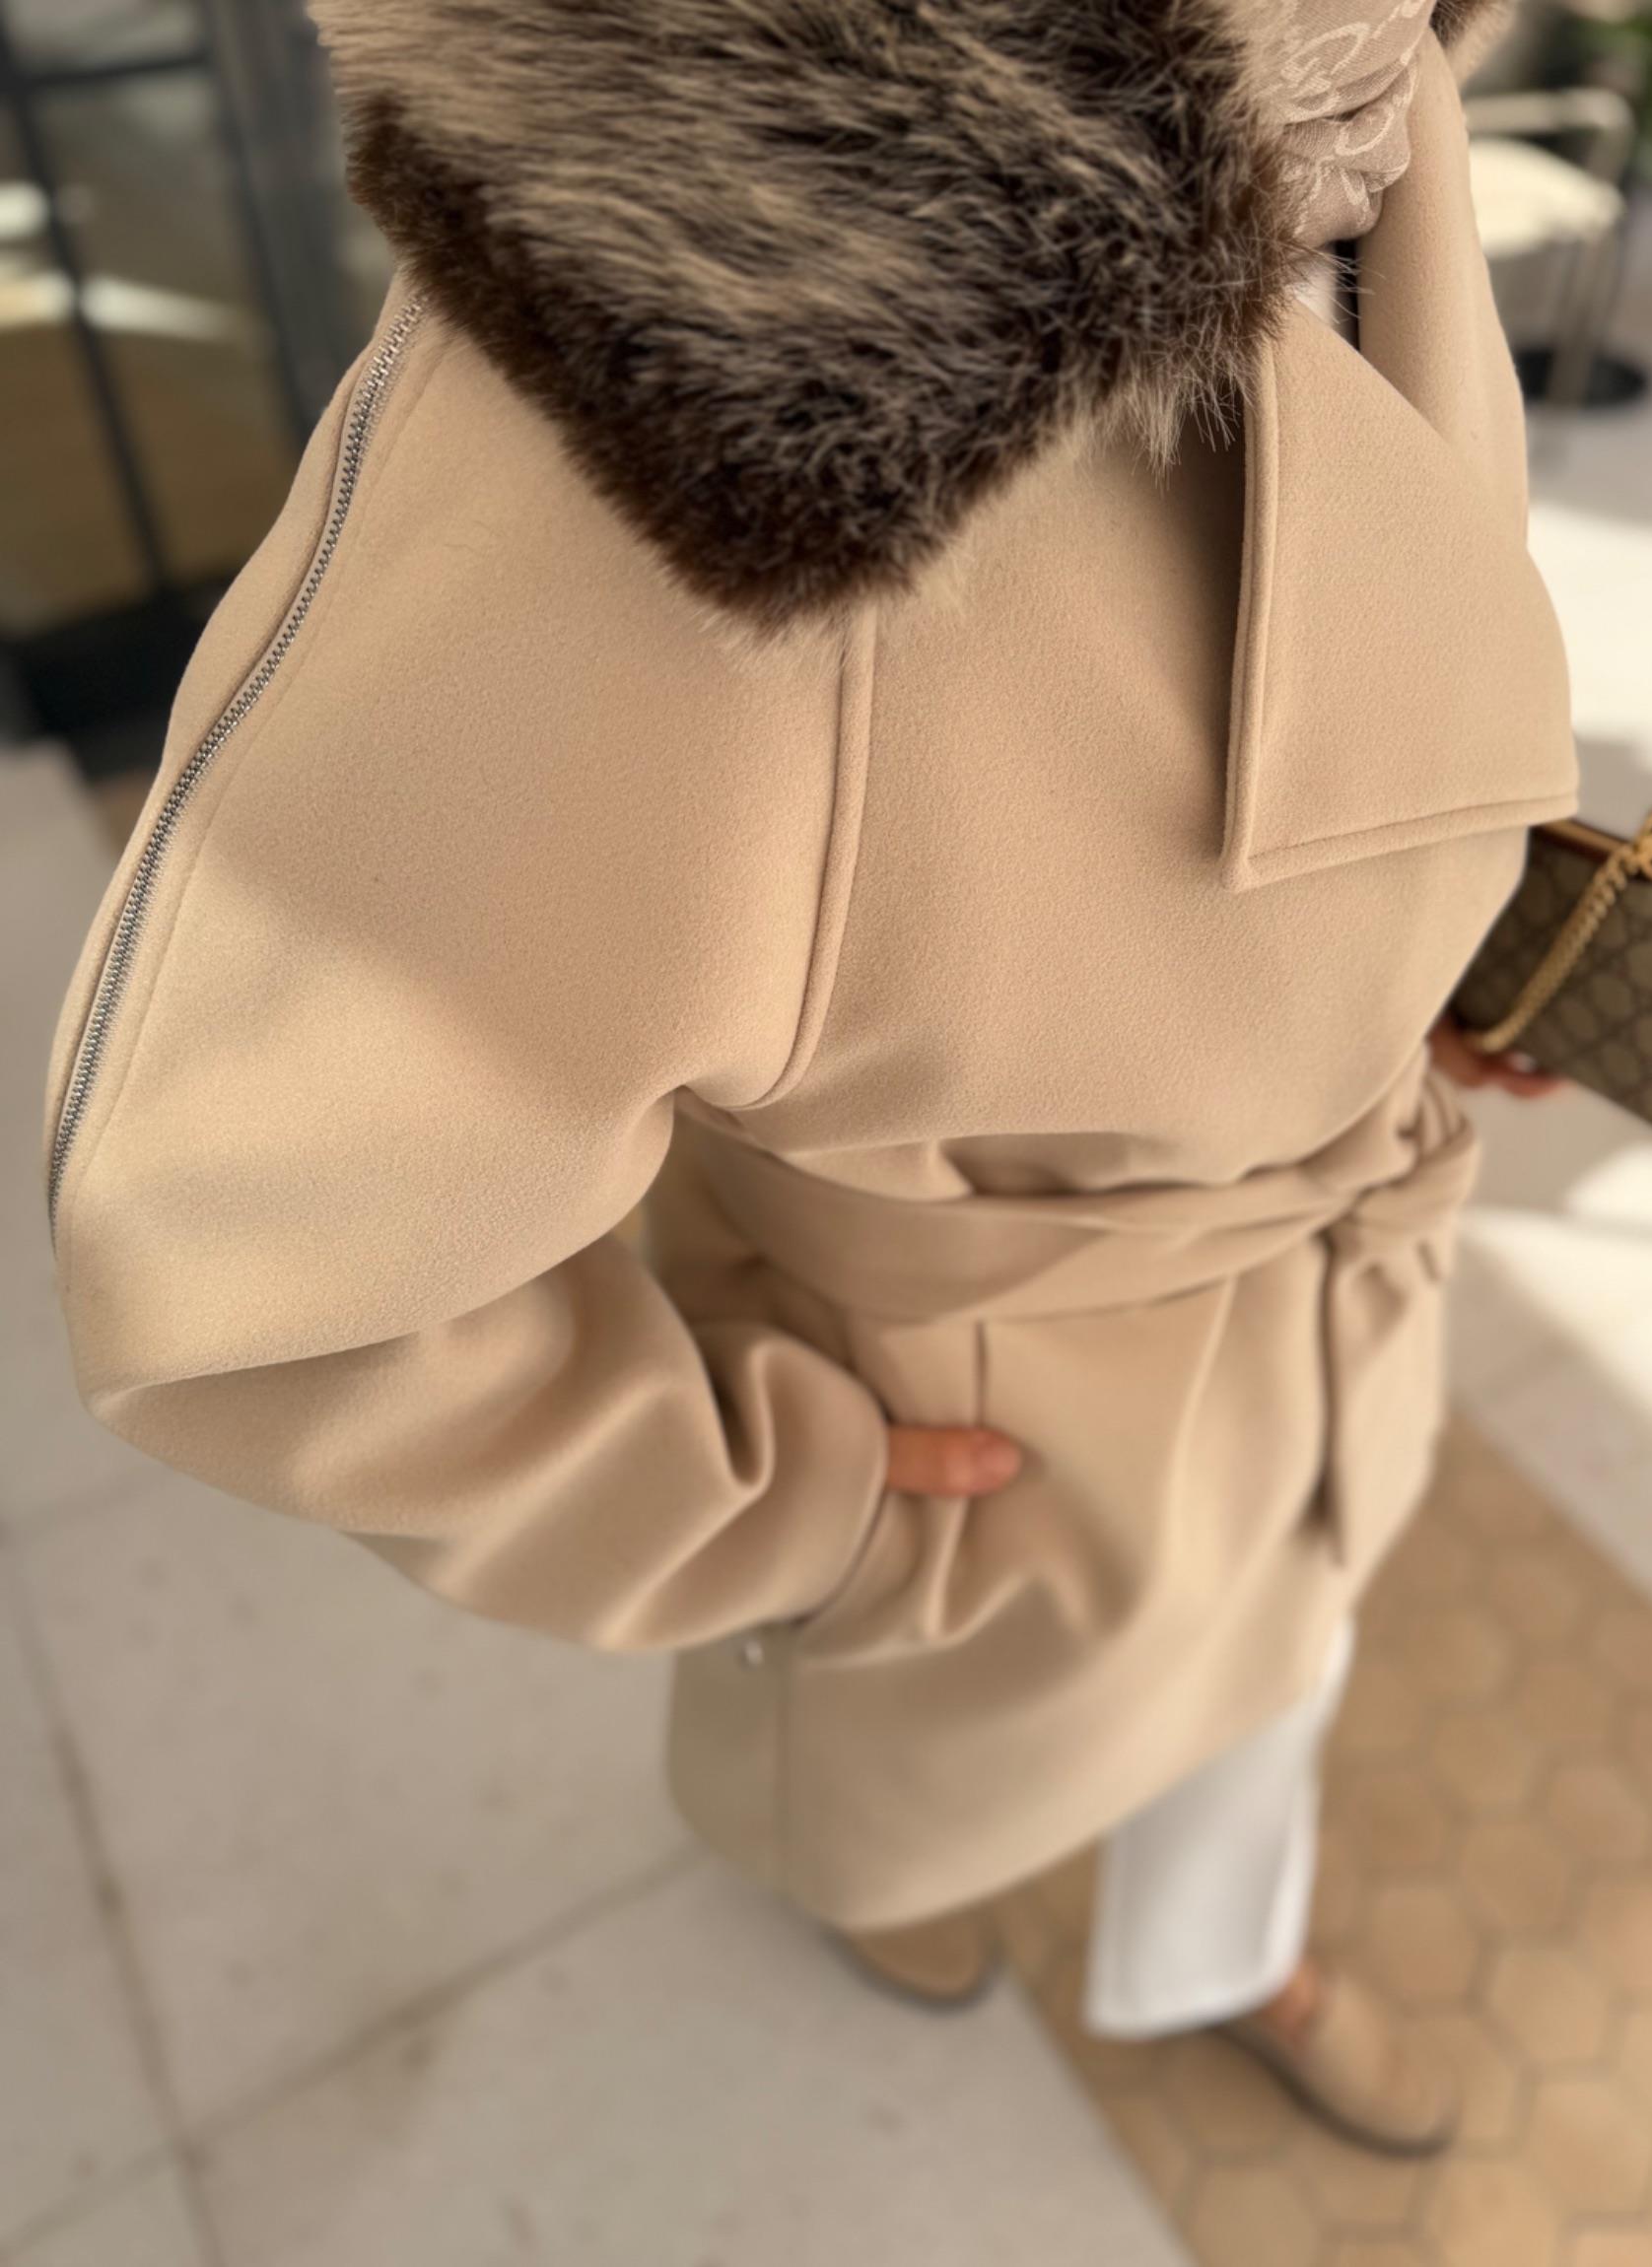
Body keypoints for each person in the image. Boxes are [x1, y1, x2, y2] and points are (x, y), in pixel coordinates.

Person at [45, 0, 1574, 2159]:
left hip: (1325, 1295)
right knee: (924, 1789)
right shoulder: (724, 326)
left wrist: (1429, 956)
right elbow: (253, 1239)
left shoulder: (1368, 69)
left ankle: (1225, 1949)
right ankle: (891, 1885)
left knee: (1274, 1677)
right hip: (986, 1427)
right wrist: (783, 1511)